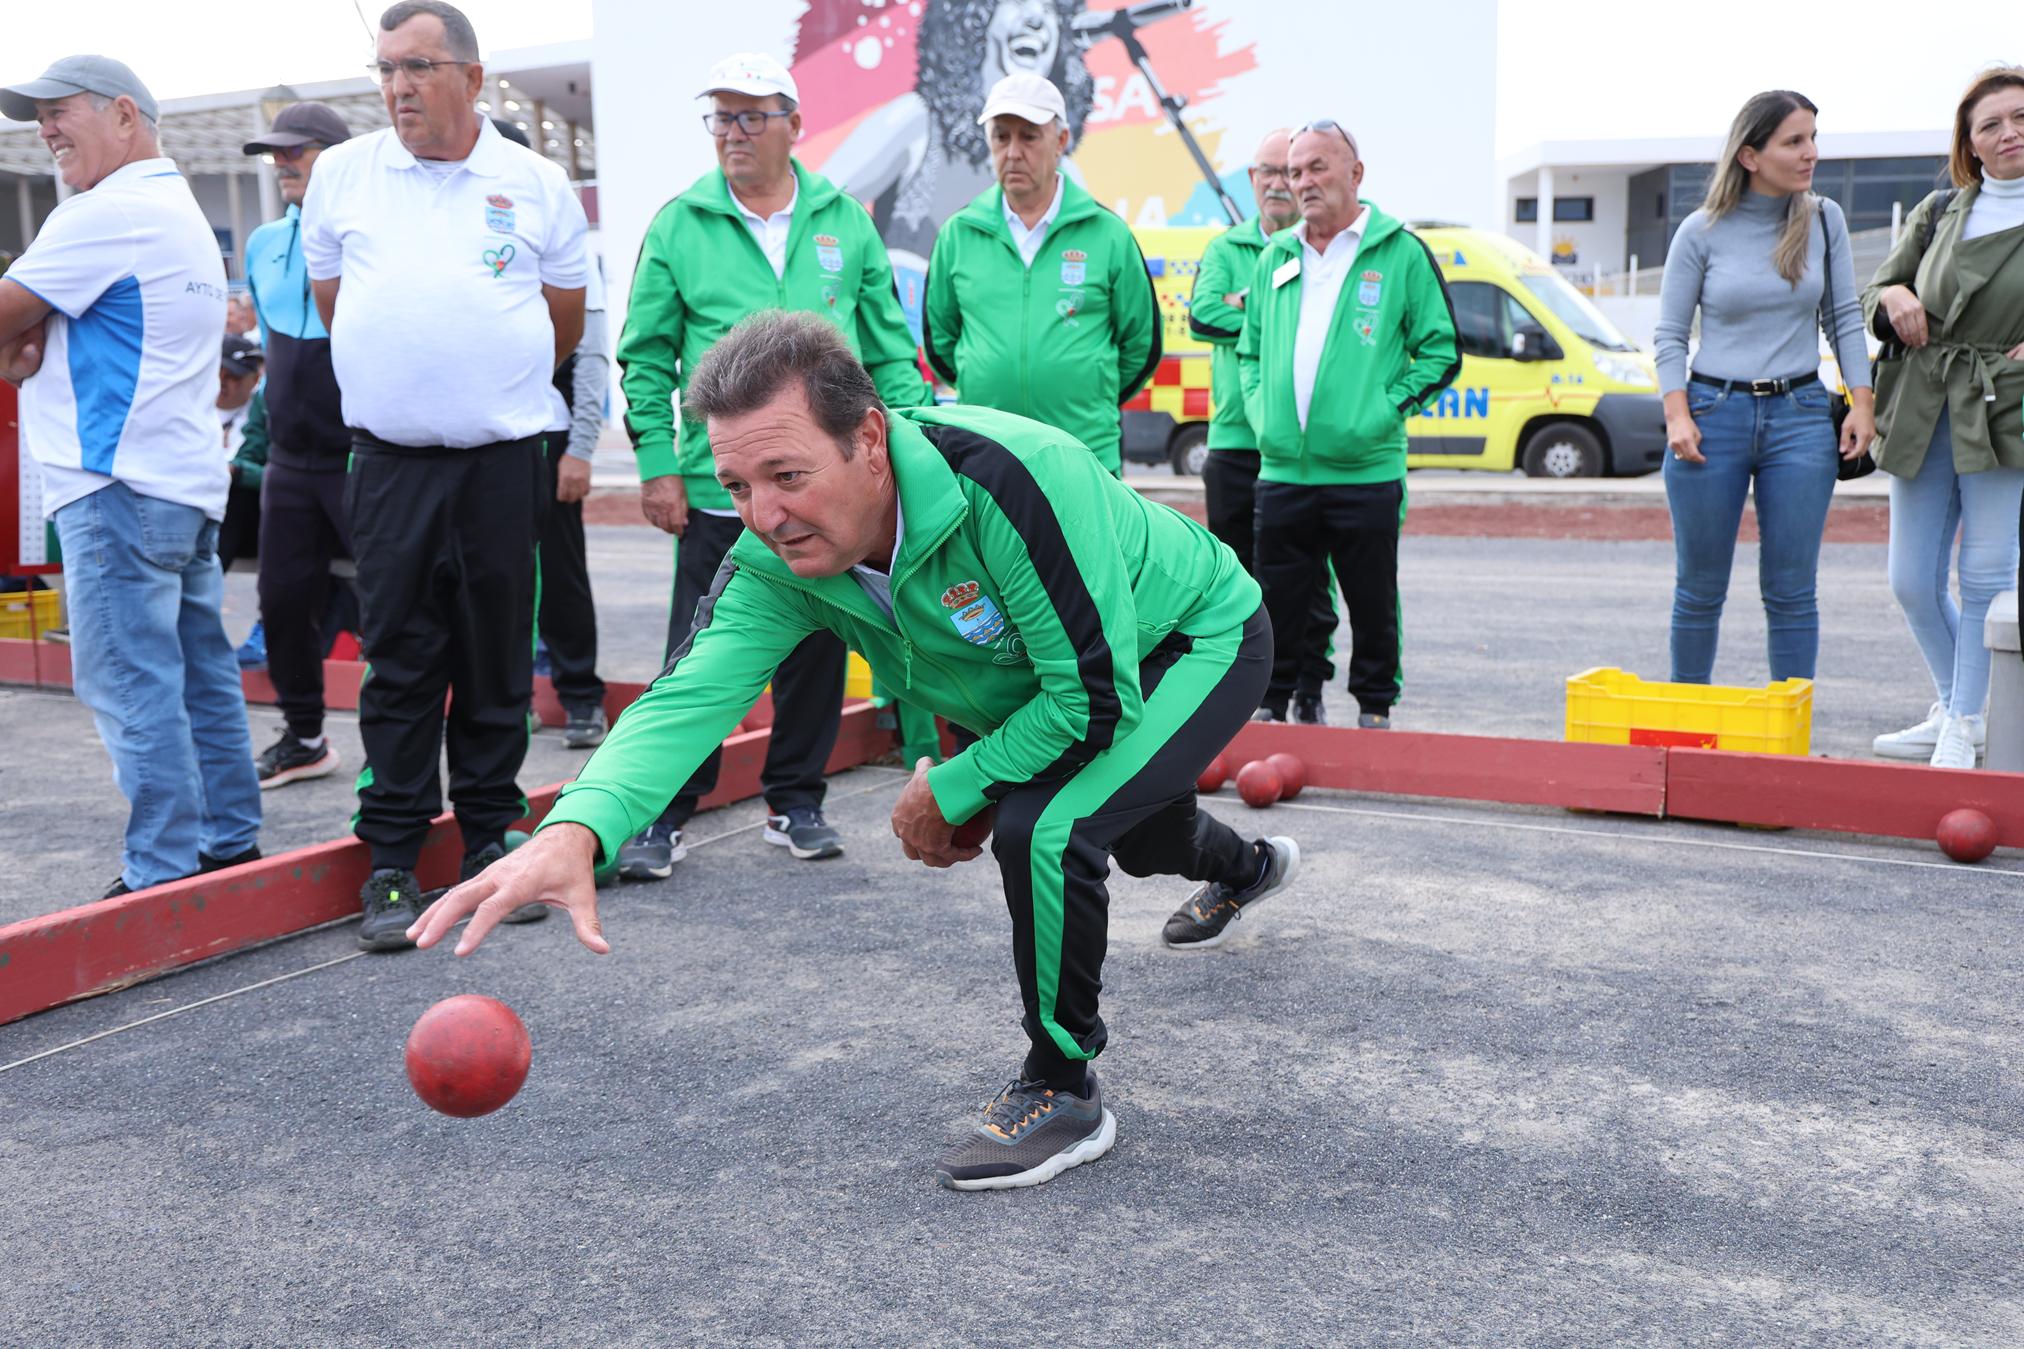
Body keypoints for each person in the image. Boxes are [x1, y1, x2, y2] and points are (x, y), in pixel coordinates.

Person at [409, 311, 1303, 1191]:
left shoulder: (1013, 479)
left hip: (1191, 637)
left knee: (1049, 827)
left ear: (869, 440)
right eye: (737, 484)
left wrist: (952, 787)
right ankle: (1249, 866)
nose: (765, 515)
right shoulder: (774, 560)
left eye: (787, 475)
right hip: (1056, 680)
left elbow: (1093, 702)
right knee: (1134, 826)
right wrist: (575, 829)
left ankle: (1063, 1085)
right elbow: (685, 698)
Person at [302, 0, 589, 949]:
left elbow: (561, 321)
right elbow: (336, 300)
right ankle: (390, 860)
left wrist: (485, 379)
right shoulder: (343, 174)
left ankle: (488, 840)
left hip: (501, 465)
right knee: (399, 660)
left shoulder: (536, 181)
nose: (398, 86)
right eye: (386, 68)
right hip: (389, 466)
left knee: (497, 656)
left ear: (471, 76)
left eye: (418, 66)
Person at [612, 51, 931, 880]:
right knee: (698, 654)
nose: (734, 132)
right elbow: (644, 355)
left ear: (794, 123)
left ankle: (797, 800)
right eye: (721, 116)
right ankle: (662, 814)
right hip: (720, 488)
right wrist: (657, 463)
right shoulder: (680, 223)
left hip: (826, 488)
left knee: (819, 648)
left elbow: (889, 353)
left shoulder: (844, 220)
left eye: (752, 115)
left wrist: (911, 448)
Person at [0, 55, 262, 896]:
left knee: (127, 677)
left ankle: (160, 869)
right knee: (200, 673)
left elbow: (11, 325)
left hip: (113, 483)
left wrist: (22, 337)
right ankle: (228, 841)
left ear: (122, 114)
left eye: (59, 110)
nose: (44, 129)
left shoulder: (102, 213)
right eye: (38, 115)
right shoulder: (172, 207)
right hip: (179, 481)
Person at [1235, 120, 1460, 730]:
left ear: (1355, 173)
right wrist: (1262, 414)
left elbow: (1441, 350)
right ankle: (1272, 704)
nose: (1302, 182)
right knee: (1276, 601)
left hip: (1365, 469)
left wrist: (1381, 412)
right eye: (1294, 171)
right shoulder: (1276, 257)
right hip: (1284, 469)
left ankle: (1374, 709)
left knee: (1371, 599)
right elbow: (1249, 352)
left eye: (1317, 167)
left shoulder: (1400, 253)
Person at [1655, 91, 1875, 690]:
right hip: (1711, 415)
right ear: (1750, 156)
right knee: (1699, 589)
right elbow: (1670, 335)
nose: (1811, 153)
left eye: (1813, 138)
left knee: (1792, 590)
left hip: (1801, 417)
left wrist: (1862, 403)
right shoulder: (1700, 231)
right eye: (1794, 141)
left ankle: (1790, 732)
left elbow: (1844, 318)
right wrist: (1677, 415)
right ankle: (1687, 723)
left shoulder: (1824, 220)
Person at [1863, 66, 2024, 769]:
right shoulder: (1938, 212)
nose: (2009, 132)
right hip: (1923, 402)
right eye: (1991, 124)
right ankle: (1962, 707)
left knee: (1987, 573)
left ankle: (1963, 721)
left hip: (2003, 404)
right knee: (1910, 579)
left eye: (2020, 117)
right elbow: (1876, 287)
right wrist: (1893, 296)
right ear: (1970, 142)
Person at [922, 71, 1160, 478]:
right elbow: (940, 342)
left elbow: (1142, 344)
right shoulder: (958, 234)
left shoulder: (1108, 234)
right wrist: (987, 378)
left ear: (1061, 140)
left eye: (1029, 137)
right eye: (1001, 137)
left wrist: (1090, 391)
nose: (1013, 152)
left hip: (1085, 455)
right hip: (987, 455)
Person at [1187, 127, 1336, 722]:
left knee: (1309, 580)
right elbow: (1203, 315)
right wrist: (1275, 311)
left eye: (1287, 172)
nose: (1278, 183)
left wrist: (1248, 304)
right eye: (1266, 172)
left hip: (1300, 448)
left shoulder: (1321, 253)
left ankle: (1308, 688)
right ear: (1252, 180)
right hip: (1234, 442)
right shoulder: (1226, 248)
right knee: (1232, 575)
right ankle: (1240, 694)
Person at [241, 100, 357, 788]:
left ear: (337, 160)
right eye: (275, 153)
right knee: (281, 602)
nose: (282, 163)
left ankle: (411, 752)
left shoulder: (369, 236)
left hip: (361, 455)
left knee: (397, 607)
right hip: (290, 460)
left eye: (296, 150)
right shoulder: (262, 244)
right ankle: (305, 737)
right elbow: (268, 348)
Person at [492, 116, 610, 750]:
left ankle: (581, 697)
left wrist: (581, 449)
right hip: (484, 442)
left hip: (549, 440)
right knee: (493, 578)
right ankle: (508, 702)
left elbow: (589, 357)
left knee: (561, 578)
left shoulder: (562, 233)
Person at [213, 334, 265, 575]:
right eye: (218, 373)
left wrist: (239, 471)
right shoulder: (191, 408)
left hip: (248, 519)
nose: (223, 383)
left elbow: (277, 474)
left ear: (255, 378)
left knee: (235, 490)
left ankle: (210, 575)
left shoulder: (267, 413)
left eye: (233, 376)